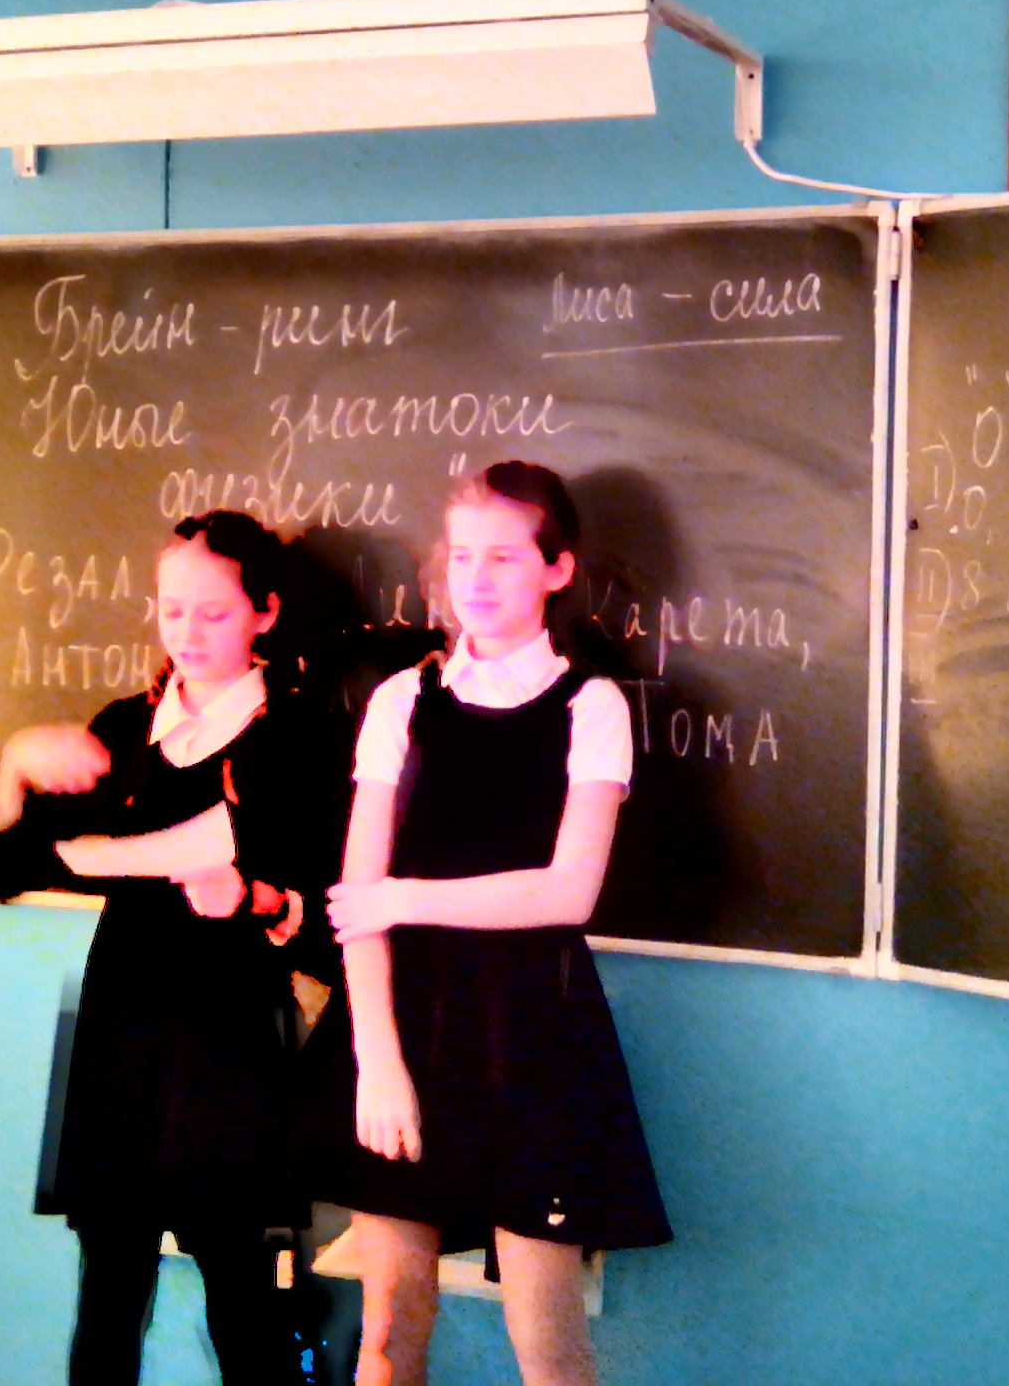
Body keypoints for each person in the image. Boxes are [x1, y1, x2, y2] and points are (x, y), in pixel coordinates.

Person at [0, 509, 349, 1386]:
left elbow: (318, 904)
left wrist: (255, 897)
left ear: (265, 614)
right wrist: (15, 766)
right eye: (171, 610)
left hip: (232, 1038)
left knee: (242, 1289)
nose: (187, 633)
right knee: (109, 1282)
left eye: (213, 613)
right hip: (120, 1028)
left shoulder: (296, 736)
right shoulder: (123, 728)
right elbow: (7, 870)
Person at [319, 462, 671, 1386]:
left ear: (557, 569)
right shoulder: (402, 702)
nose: (475, 578)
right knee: (388, 1331)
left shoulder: (590, 707)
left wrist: (405, 897)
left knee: (546, 1346)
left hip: (531, 1036)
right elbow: (357, 904)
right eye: (463, 554)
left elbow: (567, 893)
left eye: (505, 556)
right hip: (403, 1027)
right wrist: (377, 1063)